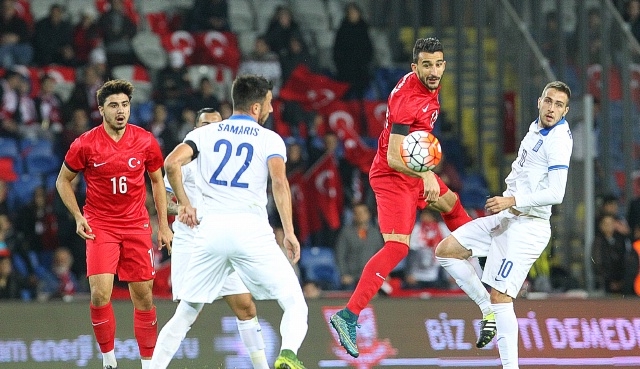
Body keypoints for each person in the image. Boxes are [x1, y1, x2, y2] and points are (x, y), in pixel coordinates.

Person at [329, 37, 473, 358]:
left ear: (444, 64)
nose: (433, 70)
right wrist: (425, 175)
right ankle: (348, 316)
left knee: (451, 203)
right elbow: (395, 156)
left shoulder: (426, 86)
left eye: (438, 64)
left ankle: (480, 264)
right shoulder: (408, 100)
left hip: (413, 169)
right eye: (426, 65)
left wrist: (425, 171)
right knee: (397, 248)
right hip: (393, 176)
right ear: (414, 67)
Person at [151, 75, 307, 369]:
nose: (273, 110)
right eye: (271, 104)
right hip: (251, 233)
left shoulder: (204, 135)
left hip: (210, 235)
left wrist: (185, 204)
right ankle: (287, 355)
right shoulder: (269, 139)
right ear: (257, 107)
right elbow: (279, 182)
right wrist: (288, 231)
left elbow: (170, 164)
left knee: (186, 314)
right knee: (294, 302)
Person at [435, 81, 573, 369]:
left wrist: (511, 201)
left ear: (566, 110)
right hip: (507, 217)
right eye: (548, 101)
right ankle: (487, 312)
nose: (552, 108)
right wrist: (509, 204)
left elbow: (556, 194)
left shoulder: (559, 141)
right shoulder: (536, 127)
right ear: (539, 102)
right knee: (446, 250)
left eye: (559, 105)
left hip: (528, 226)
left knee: (502, 295)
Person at [56, 79, 173, 369]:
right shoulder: (85, 144)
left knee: (144, 296)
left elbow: (157, 181)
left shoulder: (145, 140)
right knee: (100, 292)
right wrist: (78, 216)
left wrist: (164, 224)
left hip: (136, 224)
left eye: (125, 105)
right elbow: (63, 181)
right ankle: (109, 361)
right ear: (101, 110)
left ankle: (148, 364)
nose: (121, 111)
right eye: (113, 105)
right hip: (101, 224)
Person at [163, 107, 269, 368]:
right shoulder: (184, 158)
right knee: (188, 312)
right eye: (205, 125)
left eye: (216, 125)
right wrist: (183, 208)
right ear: (195, 128)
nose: (211, 129)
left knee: (246, 307)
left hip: (222, 240)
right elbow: (164, 201)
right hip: (193, 241)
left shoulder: (228, 157)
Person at [335, 203, 383, 290]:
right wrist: (344, 274)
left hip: (372, 276)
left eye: (362, 213)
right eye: (357, 213)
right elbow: (340, 255)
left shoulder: (375, 233)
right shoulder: (346, 233)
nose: (360, 215)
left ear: (368, 215)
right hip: (352, 276)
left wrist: (383, 273)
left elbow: (380, 254)